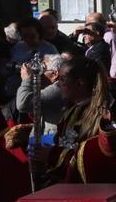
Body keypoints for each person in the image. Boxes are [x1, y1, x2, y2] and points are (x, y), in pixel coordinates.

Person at [46, 55, 108, 183]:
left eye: (63, 79)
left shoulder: (100, 115)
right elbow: (62, 140)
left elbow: (86, 154)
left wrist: (50, 155)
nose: (59, 84)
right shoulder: (73, 110)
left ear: (79, 83)